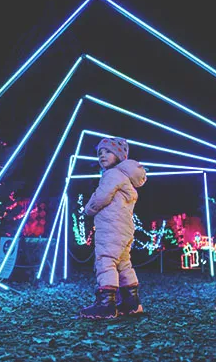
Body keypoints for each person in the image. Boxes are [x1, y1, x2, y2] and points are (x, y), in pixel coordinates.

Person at [79, 137, 147, 319]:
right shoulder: (125, 177)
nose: (102, 155)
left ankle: (105, 304)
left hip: (111, 227)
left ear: (119, 155)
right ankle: (131, 302)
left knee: (105, 260)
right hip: (124, 228)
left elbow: (102, 196)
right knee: (124, 263)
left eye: (108, 152)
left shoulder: (112, 175)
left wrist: (88, 209)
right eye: (99, 153)